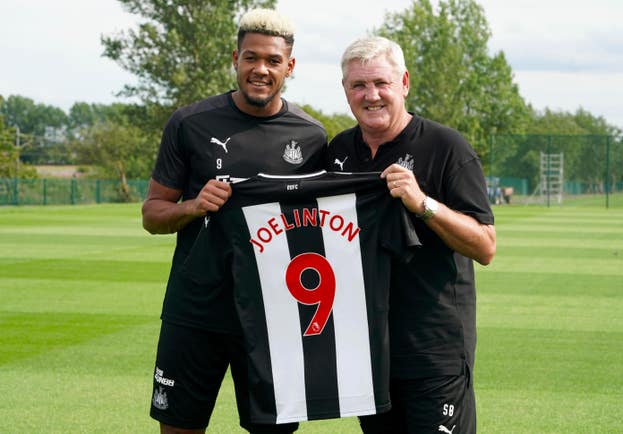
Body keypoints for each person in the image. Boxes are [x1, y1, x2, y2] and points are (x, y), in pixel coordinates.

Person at [142, 9, 327, 434]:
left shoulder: (312, 136)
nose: (261, 69)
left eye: (273, 61)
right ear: (235, 59)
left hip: (274, 315)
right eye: (251, 58)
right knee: (179, 427)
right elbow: (152, 215)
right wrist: (193, 206)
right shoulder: (189, 123)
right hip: (196, 309)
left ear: (290, 67)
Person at [326, 36, 496, 434]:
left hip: (433, 351)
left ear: (403, 83)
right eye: (359, 86)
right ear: (346, 91)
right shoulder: (338, 151)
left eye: (381, 83)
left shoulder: (446, 147)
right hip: (367, 349)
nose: (371, 95)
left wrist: (423, 203)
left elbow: (485, 246)